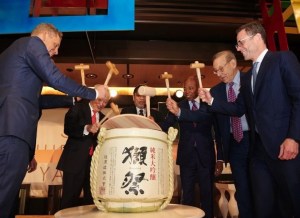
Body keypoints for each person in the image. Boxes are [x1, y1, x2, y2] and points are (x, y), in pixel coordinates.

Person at [0, 23, 107, 218]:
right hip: (11, 132)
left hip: (10, 135)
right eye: (55, 45)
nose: (56, 52)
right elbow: (54, 77)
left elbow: (36, 101)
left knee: (8, 198)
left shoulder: (14, 54)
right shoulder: (31, 44)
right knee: (4, 199)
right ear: (44, 35)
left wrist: (73, 98)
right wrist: (92, 92)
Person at [199, 21, 300, 218]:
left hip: (285, 148)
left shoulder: (282, 60)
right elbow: (238, 109)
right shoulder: (249, 75)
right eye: (237, 44)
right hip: (259, 153)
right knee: (263, 206)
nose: (238, 48)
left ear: (257, 38)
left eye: (240, 42)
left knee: (291, 203)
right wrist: (211, 100)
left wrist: (293, 138)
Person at [163, 75, 223, 218]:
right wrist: (151, 122)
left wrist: (220, 158)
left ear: (198, 88)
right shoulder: (179, 105)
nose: (187, 92)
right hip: (186, 158)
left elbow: (218, 133)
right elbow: (165, 126)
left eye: (190, 88)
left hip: (206, 157)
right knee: (187, 196)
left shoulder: (207, 105)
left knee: (207, 195)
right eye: (185, 89)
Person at [57, 89, 110, 209]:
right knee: (69, 200)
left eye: (105, 102)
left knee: (91, 202)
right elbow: (68, 128)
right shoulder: (79, 108)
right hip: (74, 161)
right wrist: (87, 128)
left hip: (93, 166)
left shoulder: (103, 118)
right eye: (100, 99)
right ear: (92, 96)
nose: (101, 104)